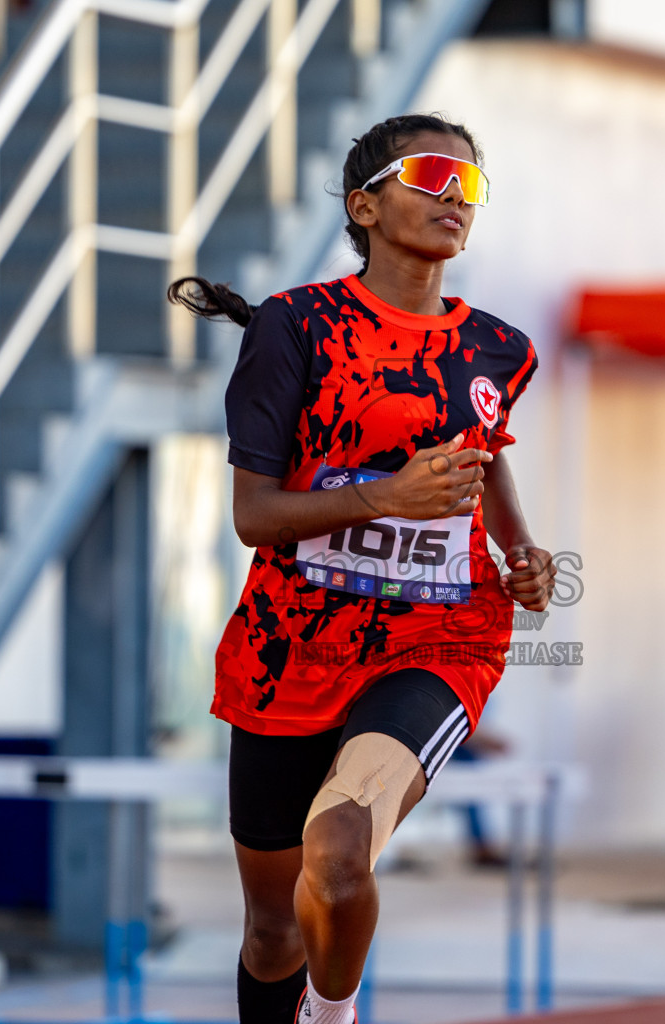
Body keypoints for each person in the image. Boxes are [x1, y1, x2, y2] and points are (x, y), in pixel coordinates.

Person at [169, 114, 553, 1024]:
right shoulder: (295, 328)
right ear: (364, 205)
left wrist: (520, 549)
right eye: (430, 175)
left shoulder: (500, 349)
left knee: (338, 862)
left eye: (470, 183)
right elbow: (255, 518)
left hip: (437, 637)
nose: (453, 196)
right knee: (273, 931)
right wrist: (387, 498)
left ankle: (332, 1017)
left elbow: (484, 454)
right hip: (286, 650)